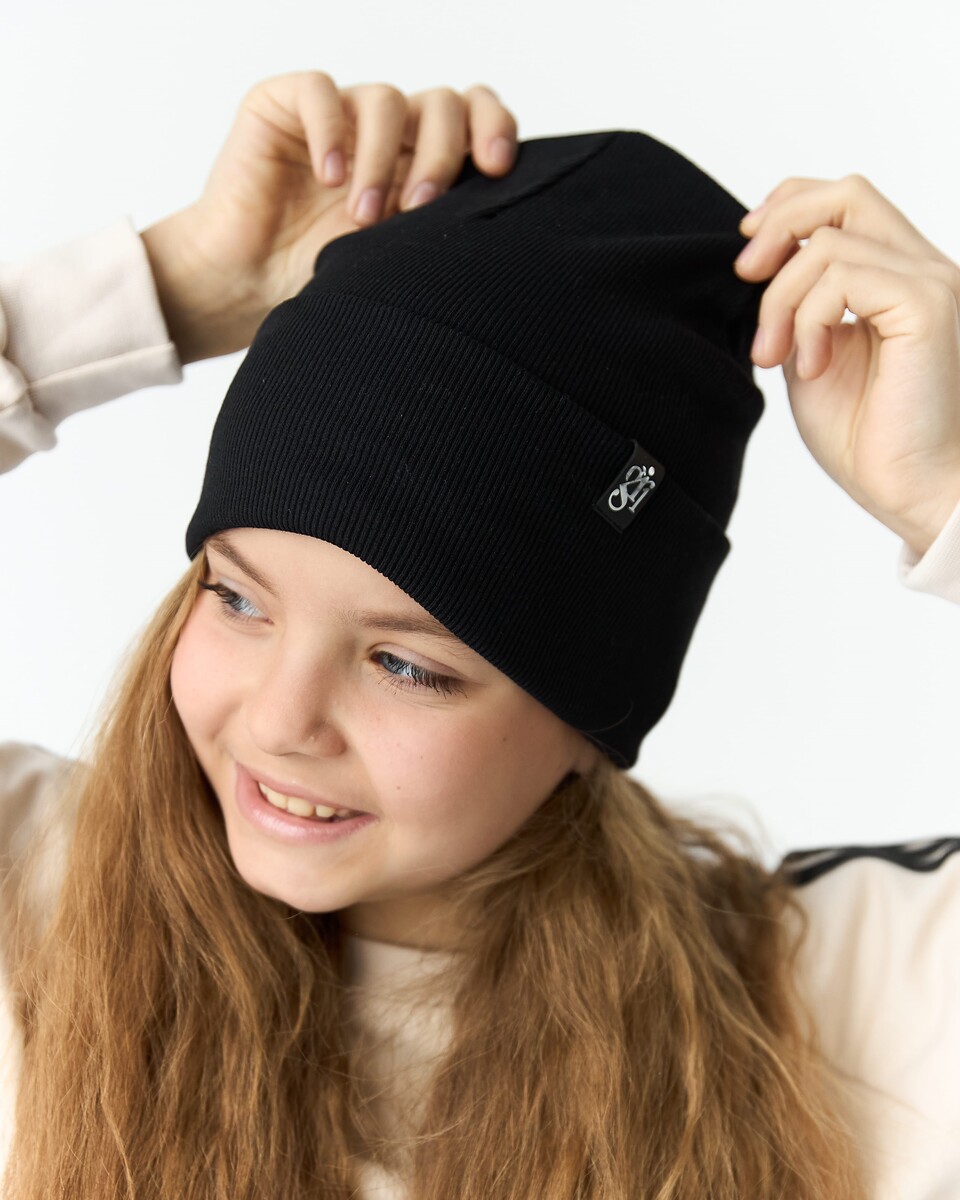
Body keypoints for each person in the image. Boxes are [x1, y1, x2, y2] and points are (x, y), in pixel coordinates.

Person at [1, 69, 958, 1200]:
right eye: (239, 598)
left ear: (589, 716)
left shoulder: (846, 1002)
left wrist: (945, 491)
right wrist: (160, 292)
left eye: (405, 664)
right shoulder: (35, 900)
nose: (279, 720)